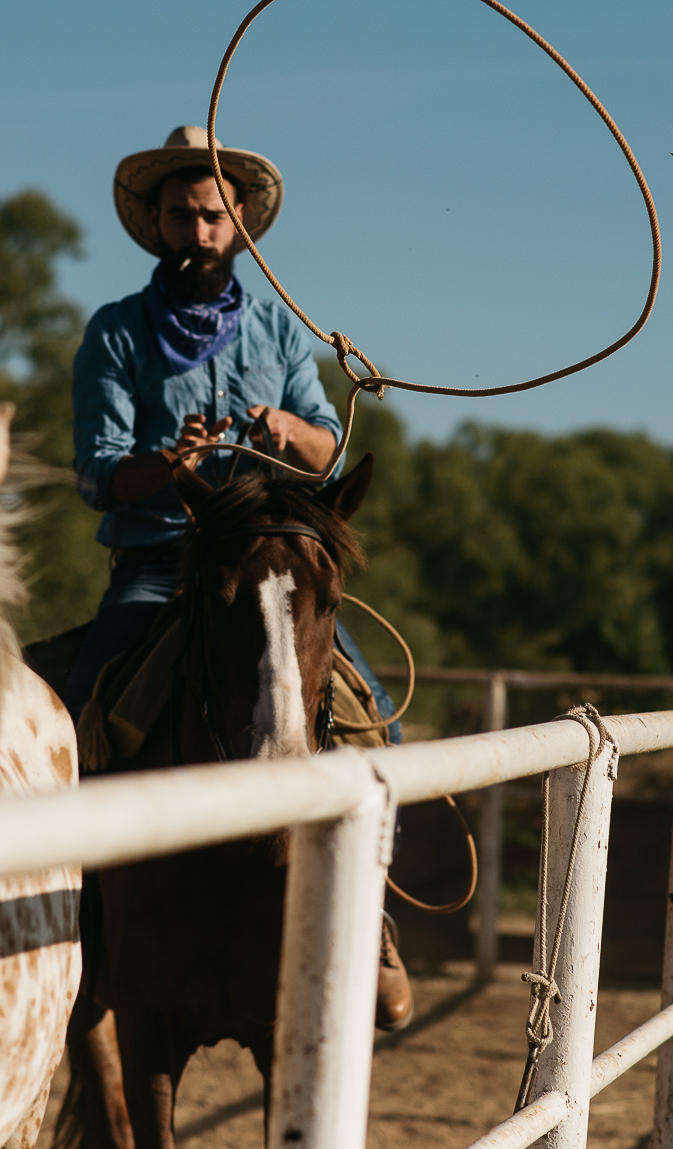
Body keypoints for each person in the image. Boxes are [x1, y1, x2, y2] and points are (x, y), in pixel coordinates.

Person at [68, 125, 416, 1028]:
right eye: (181, 215)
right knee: (79, 715)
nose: (199, 230)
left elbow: (328, 441)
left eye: (213, 216)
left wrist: (285, 431)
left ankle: (373, 923)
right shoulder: (113, 332)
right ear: (155, 222)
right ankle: (80, 927)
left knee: (376, 713)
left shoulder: (276, 329)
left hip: (271, 563)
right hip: (157, 567)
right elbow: (97, 470)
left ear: (240, 225)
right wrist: (166, 461)